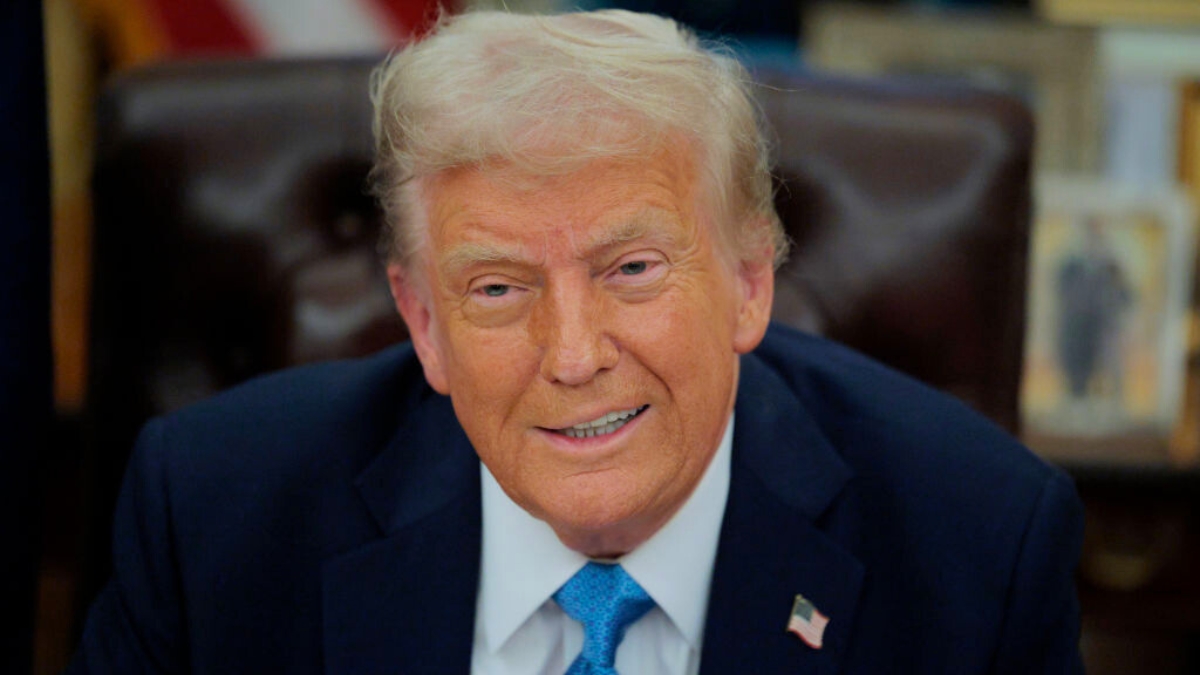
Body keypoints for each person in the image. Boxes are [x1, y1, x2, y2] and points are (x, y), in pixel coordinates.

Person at [69, 10, 1084, 674]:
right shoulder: (214, 521)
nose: (571, 355)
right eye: (499, 287)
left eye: (631, 269)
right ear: (423, 323)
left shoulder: (976, 548)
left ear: (748, 282)